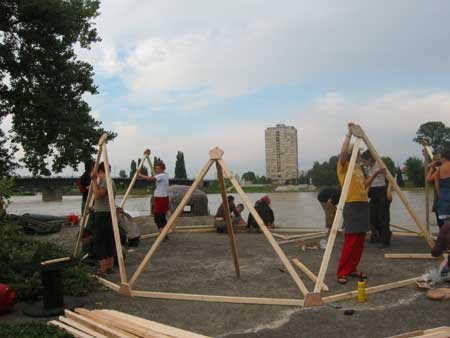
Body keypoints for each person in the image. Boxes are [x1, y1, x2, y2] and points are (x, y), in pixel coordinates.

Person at [336, 123, 371, 284]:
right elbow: (343, 153)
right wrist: (349, 135)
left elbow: (364, 185)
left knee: (360, 241)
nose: (357, 155)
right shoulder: (343, 166)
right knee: (351, 240)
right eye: (355, 152)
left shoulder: (358, 167)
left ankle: (352, 268)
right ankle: (342, 272)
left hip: (363, 204)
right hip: (351, 205)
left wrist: (377, 172)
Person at [361, 150, 391, 248]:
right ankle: (379, 235)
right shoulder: (368, 168)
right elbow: (369, 182)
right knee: (371, 216)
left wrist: (389, 190)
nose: (364, 163)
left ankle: (385, 241)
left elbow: (391, 178)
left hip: (383, 191)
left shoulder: (380, 164)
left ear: (370, 159)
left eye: (364, 161)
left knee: (383, 217)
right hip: (373, 192)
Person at [91, 162, 117, 276]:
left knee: (99, 241)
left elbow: (98, 195)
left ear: (100, 171)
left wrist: (93, 180)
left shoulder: (105, 181)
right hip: (108, 213)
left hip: (102, 214)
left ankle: (103, 269)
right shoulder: (112, 181)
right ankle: (110, 267)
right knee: (109, 240)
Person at [138, 159, 170, 238]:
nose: (156, 170)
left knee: (157, 218)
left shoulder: (162, 175)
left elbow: (150, 179)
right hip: (162, 198)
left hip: (161, 199)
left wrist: (140, 175)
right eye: (156, 168)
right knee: (162, 217)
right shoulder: (163, 175)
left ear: (162, 169)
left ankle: (163, 233)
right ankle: (164, 233)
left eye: (158, 169)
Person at [427, 154, 445, 228]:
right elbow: (428, 179)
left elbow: (428, 179)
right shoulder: (435, 170)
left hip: (442, 199)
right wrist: (432, 168)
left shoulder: (443, 169)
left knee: (444, 223)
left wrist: (432, 168)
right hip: (439, 200)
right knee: (440, 223)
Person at [434, 150, 450, 226]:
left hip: (444, 197)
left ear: (444, 158)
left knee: (446, 223)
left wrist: (440, 195)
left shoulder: (440, 169)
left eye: (440, 158)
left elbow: (436, 185)